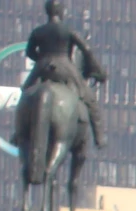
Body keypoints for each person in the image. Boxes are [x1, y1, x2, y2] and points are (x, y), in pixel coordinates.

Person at [21, 0, 104, 149]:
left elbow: (29, 52)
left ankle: (19, 133)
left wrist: (41, 59)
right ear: (61, 12)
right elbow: (86, 49)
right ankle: (99, 137)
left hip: (42, 66)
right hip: (65, 65)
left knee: (25, 91)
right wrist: (96, 67)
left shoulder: (38, 31)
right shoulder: (68, 30)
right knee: (89, 98)